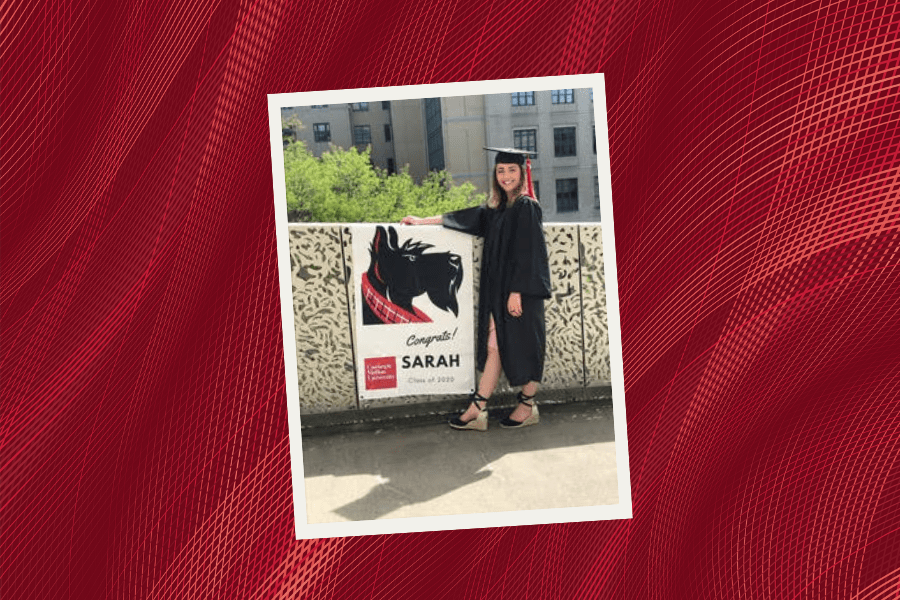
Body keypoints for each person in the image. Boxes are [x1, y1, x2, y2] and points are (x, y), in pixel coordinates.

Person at [401, 148, 551, 430]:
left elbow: (531, 252)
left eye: (512, 170)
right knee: (494, 347)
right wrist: (422, 222)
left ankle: (527, 406)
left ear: (522, 173)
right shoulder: (497, 210)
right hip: (497, 294)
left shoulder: (526, 207)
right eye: (501, 171)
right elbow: (463, 218)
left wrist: (517, 291)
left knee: (527, 347)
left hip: (521, 294)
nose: (505, 176)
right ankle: (477, 408)